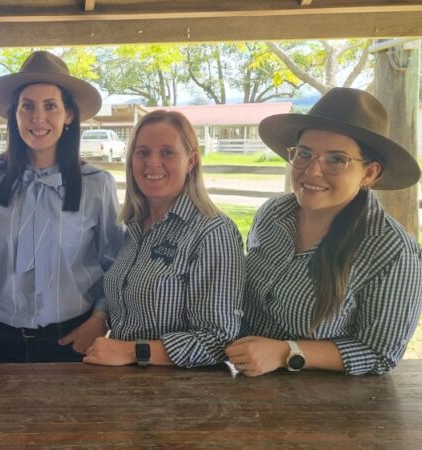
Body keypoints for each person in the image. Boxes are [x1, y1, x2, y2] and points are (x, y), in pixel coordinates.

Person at [226, 87, 422, 376]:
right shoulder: (272, 214)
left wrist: (287, 352)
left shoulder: (392, 251)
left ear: (369, 173)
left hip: (319, 402)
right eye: (304, 154)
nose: (312, 170)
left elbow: (380, 352)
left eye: (336, 159)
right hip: (237, 382)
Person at [0, 50, 125, 363]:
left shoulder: (97, 184)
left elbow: (113, 263)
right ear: (15, 115)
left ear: (69, 115)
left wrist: (99, 320)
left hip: (71, 341)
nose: (38, 118)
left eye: (50, 106)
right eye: (27, 107)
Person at [82, 110, 244, 368]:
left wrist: (132, 352)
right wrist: (99, 318)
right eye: (142, 152)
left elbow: (218, 340)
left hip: (179, 393)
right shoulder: (134, 227)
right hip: (124, 384)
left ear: (191, 161)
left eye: (167, 152)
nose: (152, 163)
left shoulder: (212, 232)